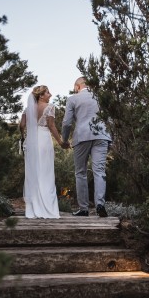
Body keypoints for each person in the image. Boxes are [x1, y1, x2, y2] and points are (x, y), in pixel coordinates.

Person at [61, 77, 112, 217]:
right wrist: (110, 139)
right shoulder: (101, 98)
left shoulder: (72, 99)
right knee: (100, 171)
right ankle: (100, 204)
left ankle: (84, 209)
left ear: (77, 86)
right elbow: (110, 119)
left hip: (82, 136)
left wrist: (64, 140)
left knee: (80, 173)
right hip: (102, 136)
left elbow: (66, 123)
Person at [19, 85, 64, 218]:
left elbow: (21, 125)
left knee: (33, 172)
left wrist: (24, 136)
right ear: (41, 95)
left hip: (31, 141)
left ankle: (33, 208)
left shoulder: (28, 109)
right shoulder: (49, 107)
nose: (50, 94)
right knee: (46, 172)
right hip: (43, 140)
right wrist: (60, 142)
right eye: (48, 92)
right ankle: (47, 208)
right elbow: (51, 126)